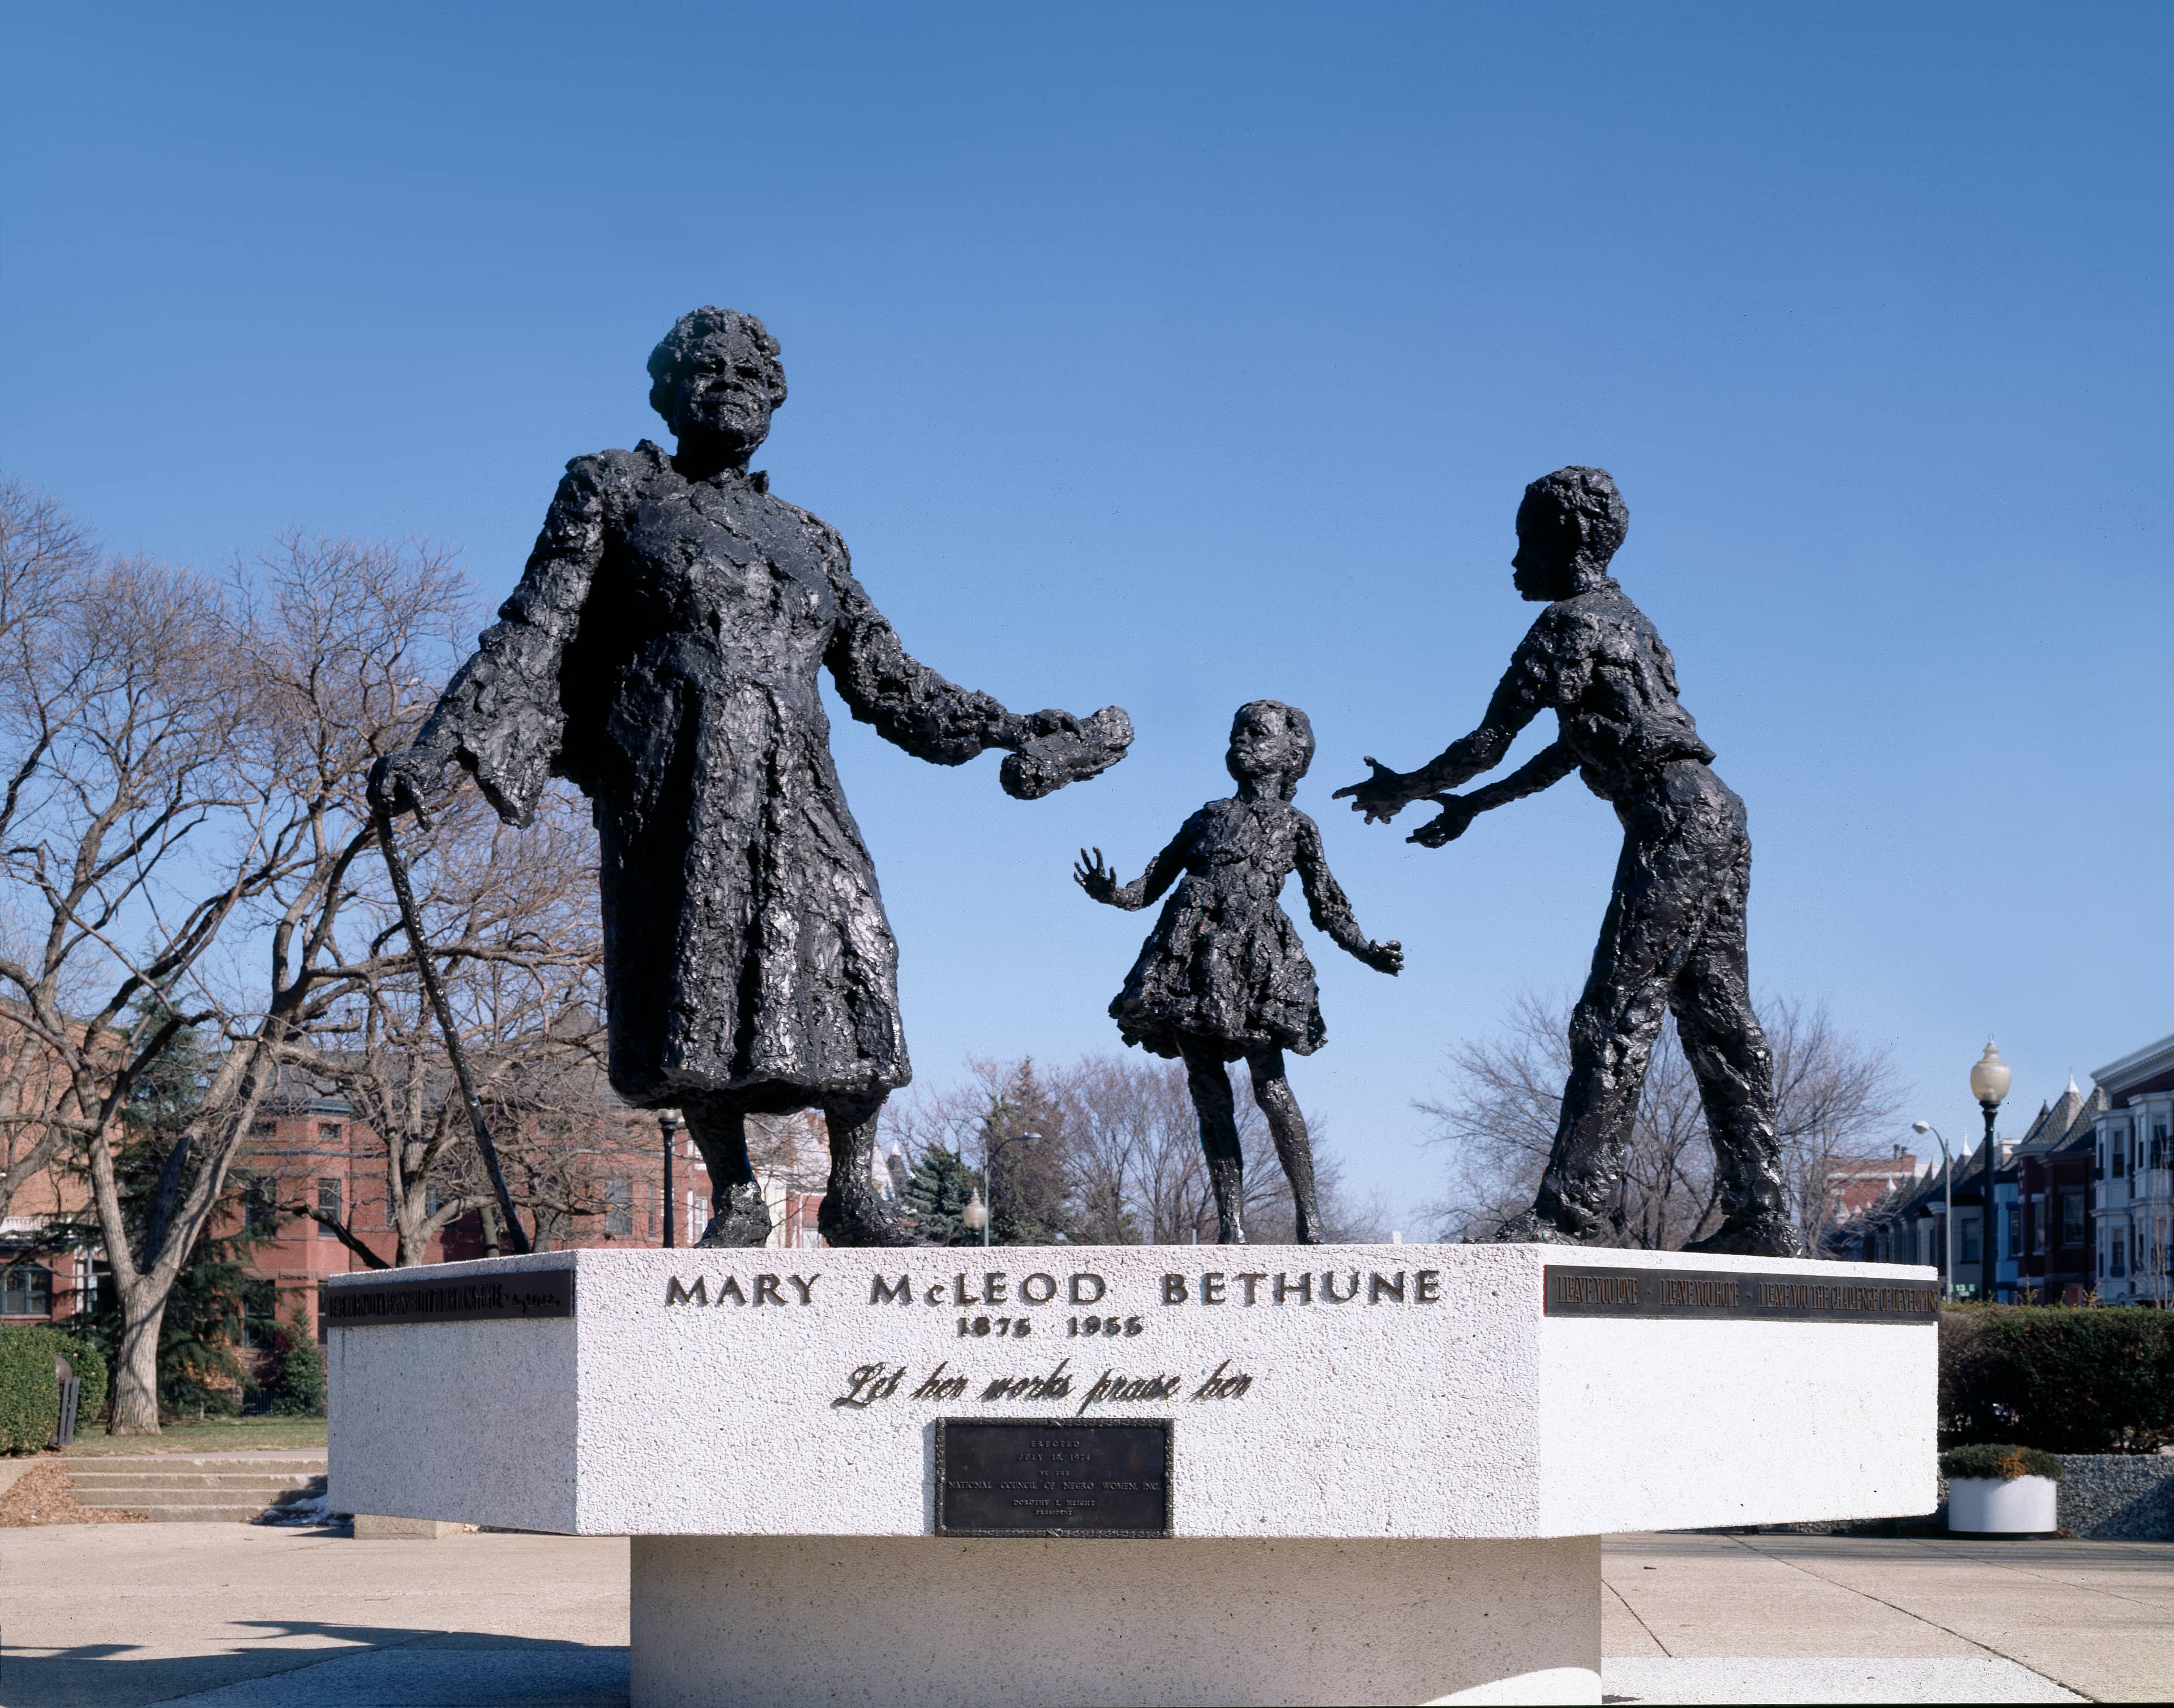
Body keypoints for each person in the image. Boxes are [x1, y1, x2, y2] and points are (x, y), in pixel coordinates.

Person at [372, 306, 1130, 1247]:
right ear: (667, 390)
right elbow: (536, 625)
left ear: (777, 398)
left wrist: (1016, 726)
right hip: (675, 778)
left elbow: (888, 678)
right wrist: (440, 745)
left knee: (861, 953)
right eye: (708, 366)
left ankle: (855, 1193)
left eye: (753, 372)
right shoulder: (613, 487)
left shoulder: (810, 535)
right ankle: (735, 1192)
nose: (731, 381)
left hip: (797, 775)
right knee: (697, 970)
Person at [1334, 466, 1803, 1257]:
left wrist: (1410, 786)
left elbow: (1489, 741)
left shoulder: (1567, 625)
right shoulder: (1635, 625)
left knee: (1611, 1014)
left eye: (1527, 542)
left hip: (1674, 821)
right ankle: (1764, 1216)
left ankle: (1570, 1211)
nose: (1515, 561)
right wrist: (1473, 810)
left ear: (1572, 541)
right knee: (1721, 1020)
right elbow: (1568, 750)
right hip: (1716, 813)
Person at [1075, 701, 1402, 1243]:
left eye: (1256, 734)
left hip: (1255, 965)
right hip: (1188, 964)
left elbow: (1328, 905)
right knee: (1208, 1092)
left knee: (1271, 1089)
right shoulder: (1204, 818)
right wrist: (1110, 893)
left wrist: (1367, 949)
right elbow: (1146, 888)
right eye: (1236, 733)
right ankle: (1232, 1227)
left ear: (1292, 755)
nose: (1240, 742)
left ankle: (1310, 1221)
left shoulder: (1297, 826)